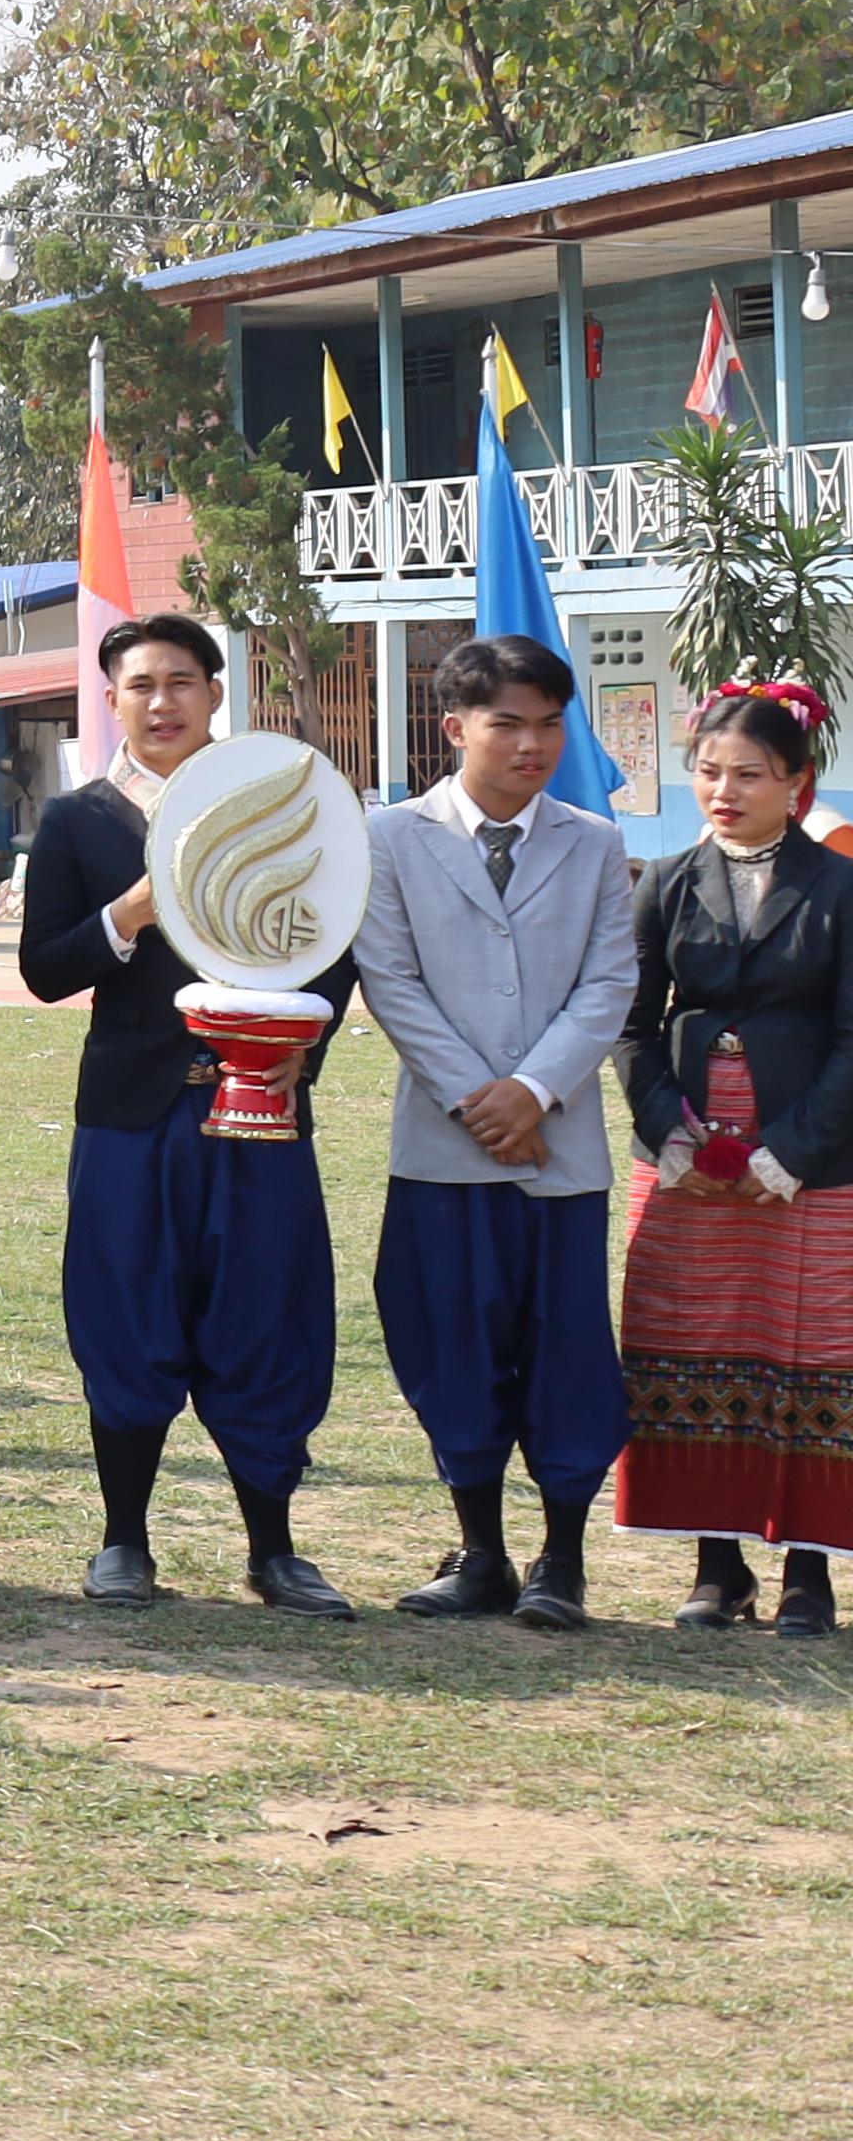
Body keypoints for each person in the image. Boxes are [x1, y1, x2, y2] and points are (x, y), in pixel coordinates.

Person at [23, 612, 358, 1615]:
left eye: (180, 680)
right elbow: (43, 967)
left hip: (257, 1109)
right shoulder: (81, 819)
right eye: (139, 685)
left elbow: (334, 945)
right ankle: (124, 1540)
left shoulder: (283, 796)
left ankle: (275, 1548)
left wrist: (307, 1044)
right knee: (125, 1312)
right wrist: (125, 914)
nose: (160, 701)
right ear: (112, 699)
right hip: (131, 1111)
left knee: (268, 1312)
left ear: (217, 691)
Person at [354, 631, 638, 1628]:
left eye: (549, 722)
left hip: (560, 1150)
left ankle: (562, 1558)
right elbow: (390, 978)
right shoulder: (389, 837)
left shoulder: (596, 842)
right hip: (444, 1145)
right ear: (453, 727)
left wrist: (536, 1090)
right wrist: (482, 1095)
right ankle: (480, 1551)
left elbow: (611, 983)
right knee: (448, 1338)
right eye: (508, 721)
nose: (532, 742)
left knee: (565, 1343)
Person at [622, 680, 853, 1632]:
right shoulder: (666, 880)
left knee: (809, 1348)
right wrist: (668, 1128)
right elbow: (632, 1026)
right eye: (709, 772)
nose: (724, 791)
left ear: (797, 782)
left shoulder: (841, 887)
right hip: (688, 1157)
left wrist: (791, 1151)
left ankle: (809, 1568)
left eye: (749, 775)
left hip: (811, 1154)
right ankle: (717, 1565)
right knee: (693, 1339)